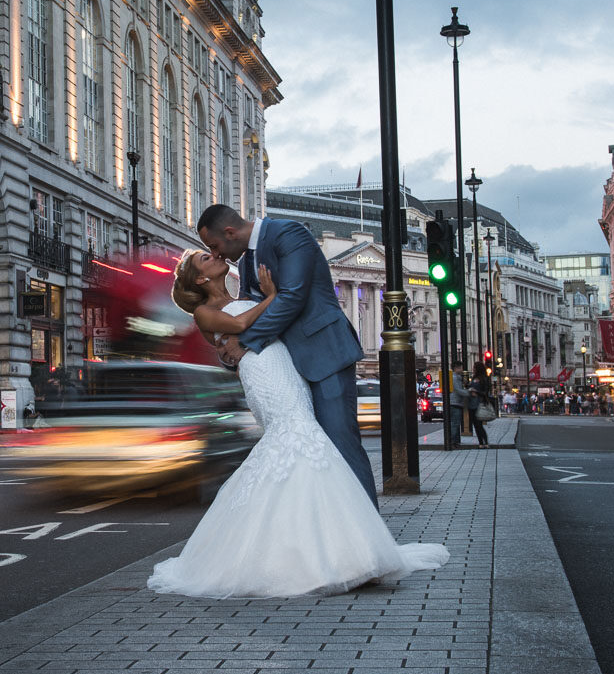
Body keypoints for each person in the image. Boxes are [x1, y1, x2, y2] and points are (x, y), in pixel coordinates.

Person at [147, 247, 447, 598]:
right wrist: (273, 295)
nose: (214, 256)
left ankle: (331, 548)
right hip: (262, 374)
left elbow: (266, 325)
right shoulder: (204, 312)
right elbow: (242, 324)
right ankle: (318, 555)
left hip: (284, 366)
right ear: (200, 278)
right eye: (205, 259)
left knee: (302, 439)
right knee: (294, 435)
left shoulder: (244, 294)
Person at [196, 204, 378, 508]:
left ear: (230, 232)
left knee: (340, 444)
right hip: (287, 370)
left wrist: (244, 343)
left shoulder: (288, 234)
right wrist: (228, 349)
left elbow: (293, 296)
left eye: (215, 247)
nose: (217, 255)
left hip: (325, 356)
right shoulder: (244, 265)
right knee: (314, 455)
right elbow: (249, 313)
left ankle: (370, 532)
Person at [465, 361, 491, 448]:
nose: (473, 369)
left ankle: (485, 442)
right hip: (471, 403)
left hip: (479, 403)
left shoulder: (484, 378)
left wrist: (477, 392)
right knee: (475, 424)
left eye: (474, 367)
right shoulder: (473, 378)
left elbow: (486, 391)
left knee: (479, 424)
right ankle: (481, 442)